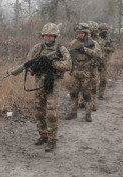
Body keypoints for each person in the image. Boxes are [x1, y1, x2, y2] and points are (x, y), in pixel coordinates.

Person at [9, 23, 72, 152]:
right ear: (43, 36)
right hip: (39, 84)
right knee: (39, 112)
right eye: (46, 36)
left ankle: (52, 139)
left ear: (55, 36)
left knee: (51, 113)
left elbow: (68, 65)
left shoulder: (61, 49)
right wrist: (38, 65)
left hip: (53, 83)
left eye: (51, 36)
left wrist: (52, 63)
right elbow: (29, 63)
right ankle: (43, 135)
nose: (48, 38)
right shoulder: (37, 48)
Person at [65, 23, 101, 122]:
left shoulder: (93, 43)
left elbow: (98, 55)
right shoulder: (73, 43)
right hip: (75, 72)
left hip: (87, 73)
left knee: (87, 94)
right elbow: (67, 55)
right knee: (73, 93)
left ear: (86, 33)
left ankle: (88, 114)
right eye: (78, 33)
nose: (79, 35)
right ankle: (73, 113)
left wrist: (85, 50)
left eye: (81, 33)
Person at [98, 23, 115, 100]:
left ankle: (101, 94)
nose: (105, 31)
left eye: (106, 30)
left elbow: (113, 49)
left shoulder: (108, 40)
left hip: (104, 62)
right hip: (95, 62)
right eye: (103, 30)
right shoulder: (95, 39)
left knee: (103, 79)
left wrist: (105, 48)